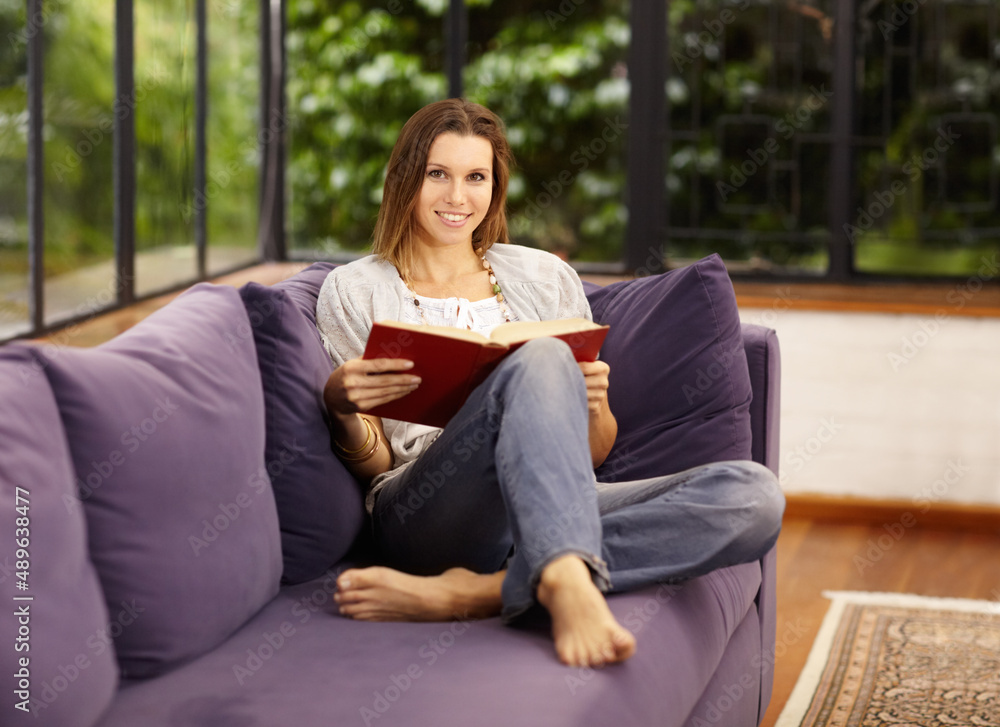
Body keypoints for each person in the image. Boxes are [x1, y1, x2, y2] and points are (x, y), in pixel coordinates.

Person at [316, 98, 784, 668]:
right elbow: (377, 464)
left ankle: (488, 591)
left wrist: (591, 403)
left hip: (544, 503)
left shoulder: (545, 276)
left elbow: (588, 457)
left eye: (476, 177)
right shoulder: (353, 289)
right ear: (405, 179)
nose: (457, 197)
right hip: (425, 510)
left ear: (496, 186)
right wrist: (340, 407)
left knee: (755, 497)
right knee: (540, 356)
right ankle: (557, 574)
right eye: (437, 174)